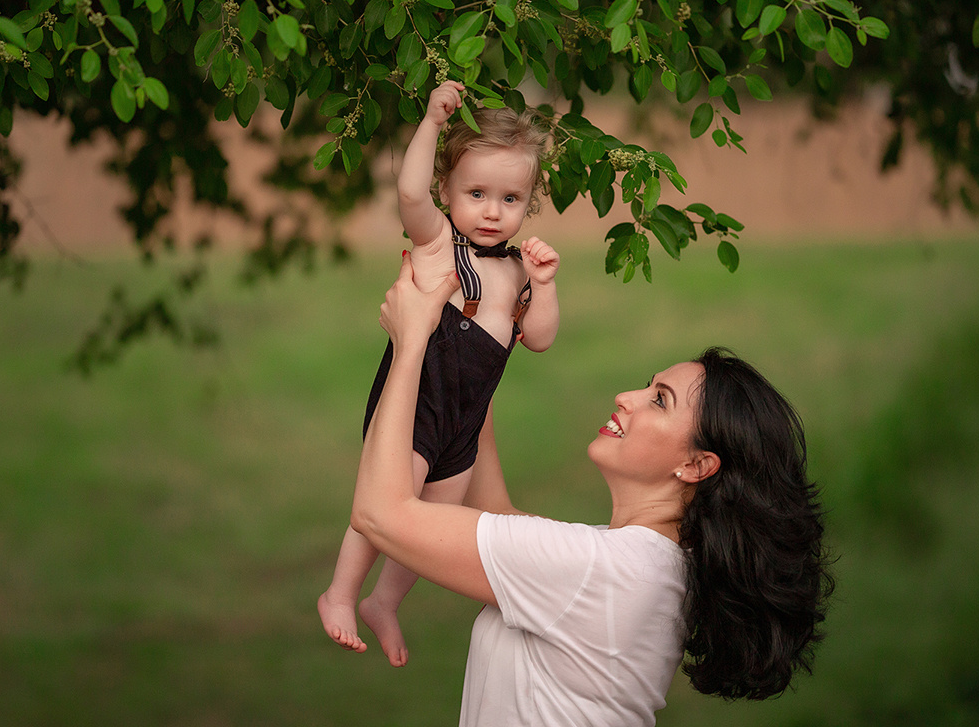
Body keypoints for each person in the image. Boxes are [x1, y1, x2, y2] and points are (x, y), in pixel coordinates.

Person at [350, 254, 834, 725]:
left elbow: (379, 513)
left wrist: (412, 344)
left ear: (696, 464)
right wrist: (480, 345)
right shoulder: (647, 566)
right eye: (648, 386)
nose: (626, 397)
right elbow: (494, 509)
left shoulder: (602, 571)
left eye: (658, 401)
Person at [318, 81, 561, 667]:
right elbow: (407, 190)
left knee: (433, 520)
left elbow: (541, 339)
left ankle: (384, 601)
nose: (490, 210)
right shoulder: (438, 246)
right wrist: (430, 121)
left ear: (527, 204)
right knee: (391, 494)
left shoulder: (516, 272)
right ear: (447, 191)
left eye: (509, 198)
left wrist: (546, 285)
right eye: (475, 193)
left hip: (465, 420)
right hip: (418, 402)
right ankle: (340, 593)